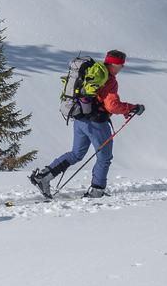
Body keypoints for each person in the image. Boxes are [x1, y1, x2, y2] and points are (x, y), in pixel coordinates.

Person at [30, 50, 144, 198]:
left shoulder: (92, 73)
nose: (121, 69)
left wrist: (123, 110)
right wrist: (132, 107)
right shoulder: (109, 80)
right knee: (104, 157)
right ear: (114, 64)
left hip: (79, 118)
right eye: (121, 66)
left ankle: (43, 177)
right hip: (96, 122)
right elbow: (111, 106)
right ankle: (97, 190)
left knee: (76, 154)